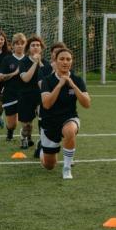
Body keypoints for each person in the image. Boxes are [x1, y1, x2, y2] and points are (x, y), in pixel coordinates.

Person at [38, 47, 91, 179]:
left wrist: (73, 85)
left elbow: (87, 104)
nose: (65, 62)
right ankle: (43, 152)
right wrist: (60, 85)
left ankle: (67, 168)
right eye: (61, 59)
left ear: (72, 62)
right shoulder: (47, 81)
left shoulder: (77, 80)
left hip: (69, 118)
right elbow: (47, 104)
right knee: (49, 166)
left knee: (70, 130)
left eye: (68, 59)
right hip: (49, 122)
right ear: (55, 62)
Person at [16, 34, 45, 149]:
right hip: (25, 95)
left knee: (43, 119)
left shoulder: (45, 63)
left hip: (41, 96)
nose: (36, 47)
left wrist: (40, 63)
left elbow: (47, 79)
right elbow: (26, 78)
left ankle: (43, 142)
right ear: (28, 48)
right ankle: (25, 137)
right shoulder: (23, 62)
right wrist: (35, 63)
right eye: (33, 45)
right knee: (27, 124)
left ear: (41, 48)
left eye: (38, 45)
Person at [0, 33, 27, 143]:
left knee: (26, 121)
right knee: (12, 124)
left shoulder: (29, 60)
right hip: (10, 94)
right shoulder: (7, 60)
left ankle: (24, 138)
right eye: (17, 44)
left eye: (22, 43)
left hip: (25, 94)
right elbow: (0, 77)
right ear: (12, 46)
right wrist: (14, 73)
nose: (20, 46)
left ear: (25, 45)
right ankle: (10, 132)